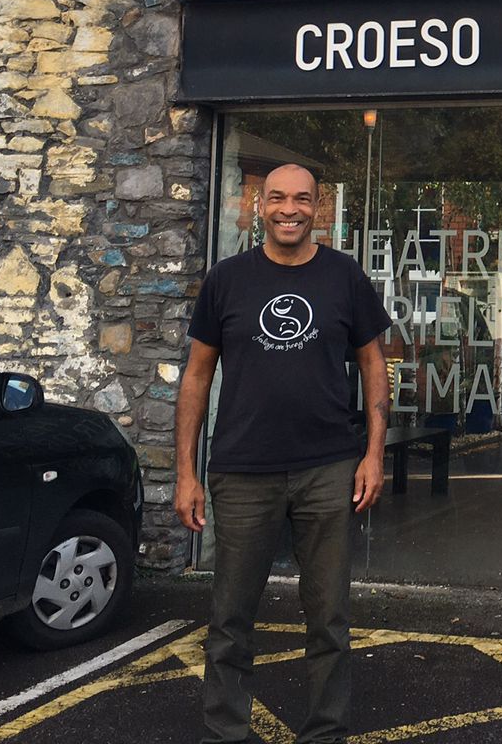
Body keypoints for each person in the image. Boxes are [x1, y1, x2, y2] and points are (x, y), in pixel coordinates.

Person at [175, 163, 391, 744]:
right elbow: (196, 376)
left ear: (318, 207)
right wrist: (185, 473)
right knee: (230, 619)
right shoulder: (227, 280)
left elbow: (374, 363)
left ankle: (326, 732)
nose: (289, 209)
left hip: (328, 468)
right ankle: (227, 733)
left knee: (328, 619)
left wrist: (373, 454)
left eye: (301, 199)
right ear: (258, 206)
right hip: (242, 470)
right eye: (277, 198)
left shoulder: (344, 276)